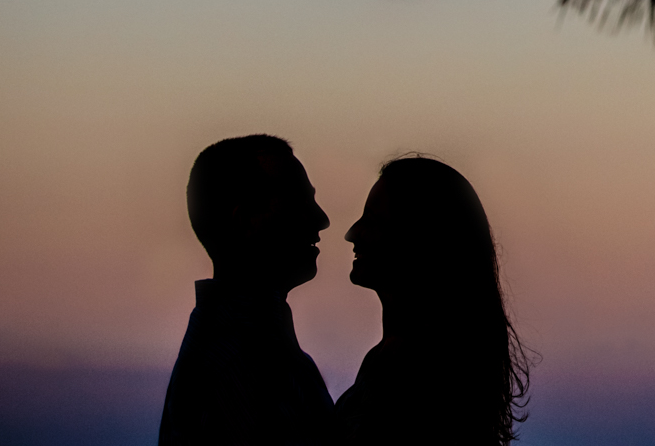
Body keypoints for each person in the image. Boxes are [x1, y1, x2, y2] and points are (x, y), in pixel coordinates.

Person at [337, 156, 530, 445]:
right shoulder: (399, 358)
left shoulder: (419, 372)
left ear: (419, 238)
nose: (352, 233)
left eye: (373, 222)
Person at [159, 134, 336, 446]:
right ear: (246, 221)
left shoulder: (253, 348)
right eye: (298, 202)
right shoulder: (241, 365)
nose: (321, 219)